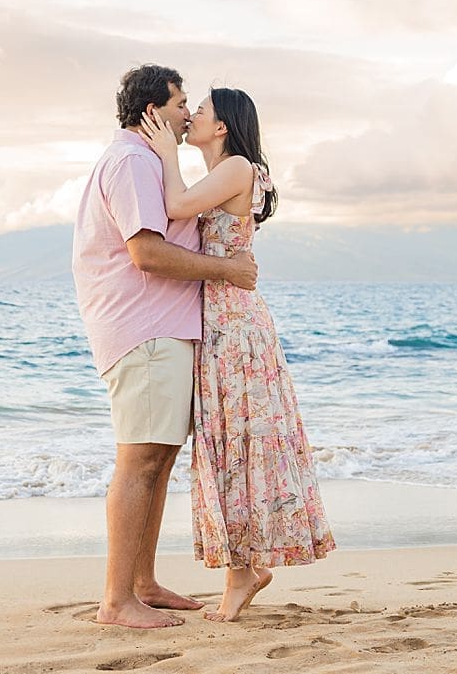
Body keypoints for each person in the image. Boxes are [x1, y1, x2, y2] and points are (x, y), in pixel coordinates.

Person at [72, 65, 259, 629]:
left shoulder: (145, 160)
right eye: (181, 103)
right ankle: (116, 600)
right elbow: (147, 254)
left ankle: (142, 583)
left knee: (158, 458)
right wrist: (228, 269)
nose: (187, 113)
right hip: (145, 326)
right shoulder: (132, 161)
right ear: (154, 109)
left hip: (162, 327)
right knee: (140, 459)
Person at [139, 87, 335, 622]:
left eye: (199, 111)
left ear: (222, 126)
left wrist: (164, 154)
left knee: (236, 441)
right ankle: (244, 569)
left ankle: (242, 571)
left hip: (234, 324)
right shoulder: (226, 171)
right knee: (227, 441)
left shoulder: (236, 167)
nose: (190, 118)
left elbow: (177, 205)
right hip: (224, 319)